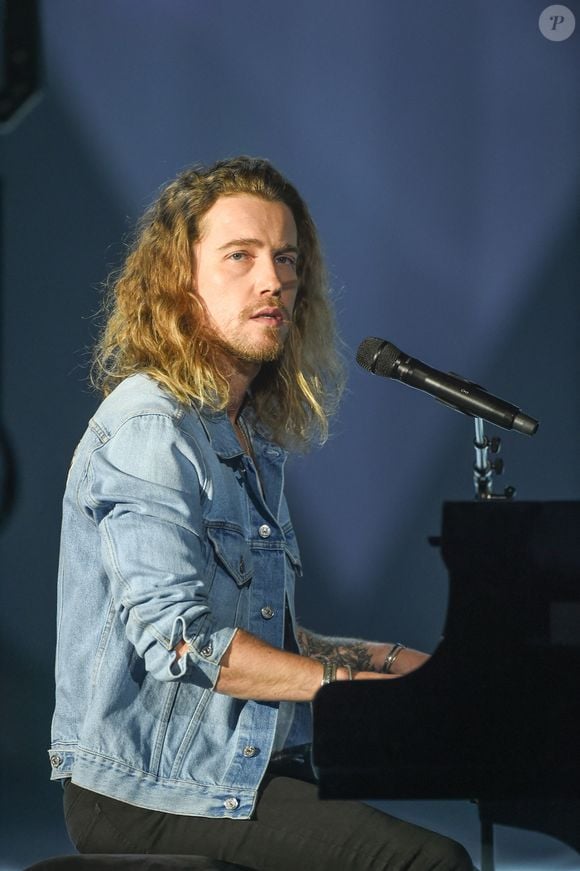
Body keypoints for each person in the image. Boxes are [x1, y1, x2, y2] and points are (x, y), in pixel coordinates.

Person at [49, 156, 473, 870]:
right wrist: (346, 690)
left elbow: (255, 628)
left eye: (285, 259)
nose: (272, 279)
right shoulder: (153, 427)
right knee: (429, 863)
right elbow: (181, 640)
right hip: (151, 790)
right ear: (180, 281)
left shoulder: (245, 434)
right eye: (240, 257)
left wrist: (398, 667)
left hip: (234, 772)